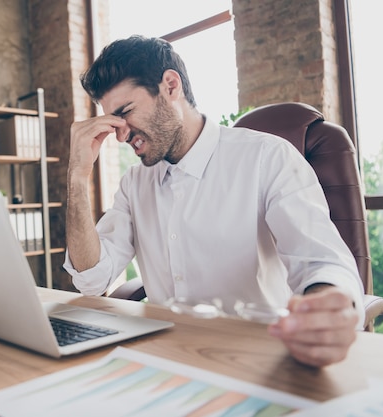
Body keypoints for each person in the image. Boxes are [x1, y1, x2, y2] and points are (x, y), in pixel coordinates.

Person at [63, 35, 364, 368]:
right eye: (113, 121)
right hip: (169, 361)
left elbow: (321, 261)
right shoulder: (134, 183)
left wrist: (325, 309)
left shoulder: (267, 157)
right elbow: (91, 279)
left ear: (171, 86)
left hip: (260, 359)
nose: (121, 135)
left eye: (126, 112)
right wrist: (77, 177)